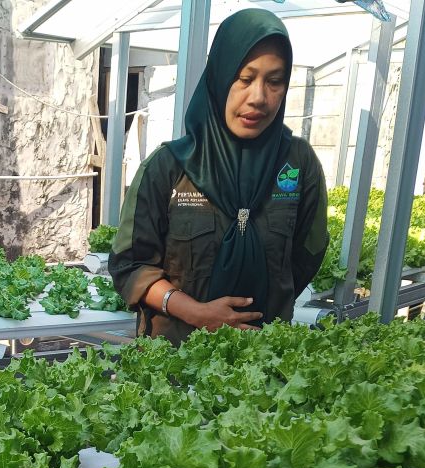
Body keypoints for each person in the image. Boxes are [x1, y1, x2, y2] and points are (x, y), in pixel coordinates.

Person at [109, 8, 330, 344]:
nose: (258, 98)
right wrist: (194, 312)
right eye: (244, 78)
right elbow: (130, 266)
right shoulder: (169, 166)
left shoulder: (298, 164)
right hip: (175, 363)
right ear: (220, 76)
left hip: (264, 357)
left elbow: (306, 256)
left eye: (274, 81)